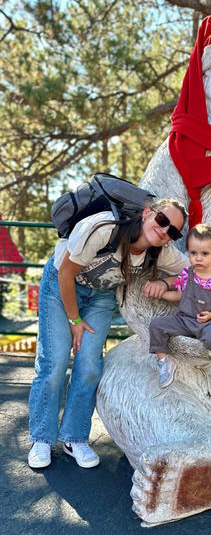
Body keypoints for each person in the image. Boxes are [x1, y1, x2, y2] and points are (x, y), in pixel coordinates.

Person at [28, 198, 188, 470]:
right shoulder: (103, 228)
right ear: (148, 212)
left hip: (100, 297)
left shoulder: (161, 252)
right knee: (54, 362)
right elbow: (66, 273)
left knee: (90, 365)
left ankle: (74, 437)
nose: (164, 231)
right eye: (162, 220)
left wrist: (164, 282)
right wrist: (74, 319)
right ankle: (41, 438)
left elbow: (194, 271)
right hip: (61, 286)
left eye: (173, 231)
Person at [149, 223, 211, 389]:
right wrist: (161, 294)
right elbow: (179, 296)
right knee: (156, 325)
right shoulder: (186, 274)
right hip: (184, 318)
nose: (198, 258)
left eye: (204, 253)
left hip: (208, 321)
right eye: (193, 253)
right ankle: (164, 364)